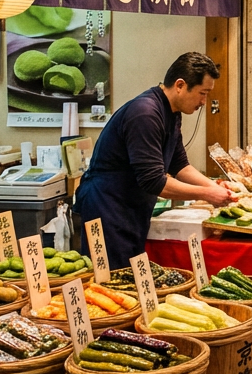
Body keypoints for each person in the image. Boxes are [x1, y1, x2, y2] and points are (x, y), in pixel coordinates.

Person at [77, 53, 232, 268]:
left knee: (130, 281)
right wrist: (207, 194)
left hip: (131, 207)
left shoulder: (172, 113)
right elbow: (154, 181)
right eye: (202, 93)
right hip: (107, 207)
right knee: (111, 284)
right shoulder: (145, 113)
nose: (204, 102)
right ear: (180, 85)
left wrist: (213, 186)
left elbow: (179, 165)